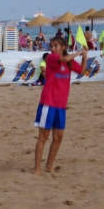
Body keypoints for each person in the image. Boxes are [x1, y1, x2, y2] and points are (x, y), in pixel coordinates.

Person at [33, 37, 88, 176]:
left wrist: (85, 56)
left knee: (58, 137)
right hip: (48, 103)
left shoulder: (69, 62)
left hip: (61, 105)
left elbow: (82, 72)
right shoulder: (51, 58)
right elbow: (63, 59)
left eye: (55, 45)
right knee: (43, 136)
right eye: (51, 46)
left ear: (63, 47)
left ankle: (49, 166)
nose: (52, 48)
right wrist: (77, 53)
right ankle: (37, 169)